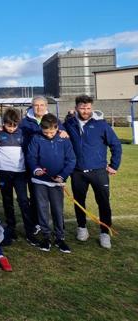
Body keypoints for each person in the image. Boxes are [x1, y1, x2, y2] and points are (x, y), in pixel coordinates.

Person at [64, 95, 122, 249]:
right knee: (79, 201)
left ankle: (104, 233)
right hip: (77, 172)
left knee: (103, 202)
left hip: (98, 171)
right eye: (82, 108)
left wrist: (114, 165)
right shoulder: (69, 124)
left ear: (92, 108)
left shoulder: (101, 125)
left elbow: (116, 144)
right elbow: (52, 128)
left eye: (88, 108)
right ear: (76, 107)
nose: (85, 111)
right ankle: (82, 228)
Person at [27, 114, 76, 253]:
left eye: (52, 132)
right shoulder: (36, 138)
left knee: (57, 210)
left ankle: (60, 238)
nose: (49, 135)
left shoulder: (64, 139)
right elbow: (31, 156)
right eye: (46, 132)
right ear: (41, 128)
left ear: (57, 128)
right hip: (40, 182)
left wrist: (62, 176)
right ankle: (46, 237)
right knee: (42, 209)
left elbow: (71, 160)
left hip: (57, 183)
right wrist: (36, 169)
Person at [0, 108, 37, 245]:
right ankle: (11, 229)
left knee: (23, 201)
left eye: (14, 126)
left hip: (20, 173)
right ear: (3, 123)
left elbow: (29, 151)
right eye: (8, 125)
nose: (11, 129)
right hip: (3, 173)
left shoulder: (23, 133)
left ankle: (30, 231)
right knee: (7, 201)